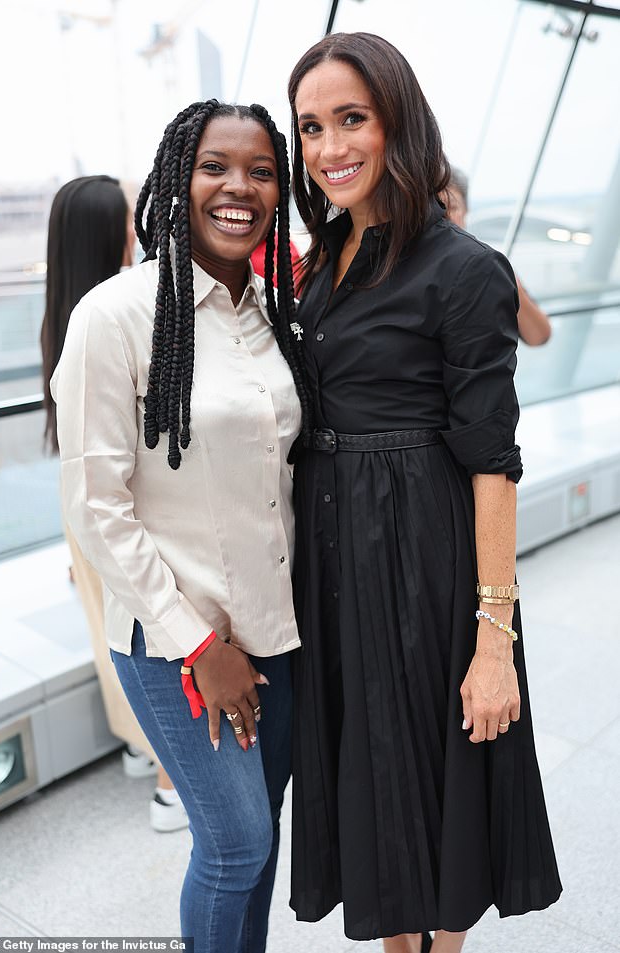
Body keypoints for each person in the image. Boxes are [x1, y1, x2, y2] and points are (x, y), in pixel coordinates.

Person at [287, 32, 562, 953]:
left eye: (352, 119)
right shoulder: (323, 259)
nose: (330, 148)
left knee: (431, 780)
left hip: (418, 559)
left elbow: (492, 459)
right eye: (312, 128)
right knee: (368, 779)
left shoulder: (462, 267)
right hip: (333, 553)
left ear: (399, 119)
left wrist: (496, 642)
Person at [51, 101, 311, 952]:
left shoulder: (273, 312)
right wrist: (202, 646)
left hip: (278, 631)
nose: (239, 187)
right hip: (177, 644)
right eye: (215, 167)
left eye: (262, 170)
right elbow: (97, 504)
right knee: (236, 846)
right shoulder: (115, 315)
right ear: (176, 179)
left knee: (261, 837)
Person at [40, 174, 187, 833]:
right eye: (128, 218)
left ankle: (137, 745)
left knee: (113, 626)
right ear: (111, 232)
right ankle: (168, 780)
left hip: (80, 503)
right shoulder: (110, 315)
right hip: (122, 502)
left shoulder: (61, 309)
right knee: (150, 628)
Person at [444, 167, 552, 346]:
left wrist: (507, 280)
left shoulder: (487, 264)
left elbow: (539, 336)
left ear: (466, 210)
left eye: (452, 207)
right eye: (438, 209)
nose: (446, 216)